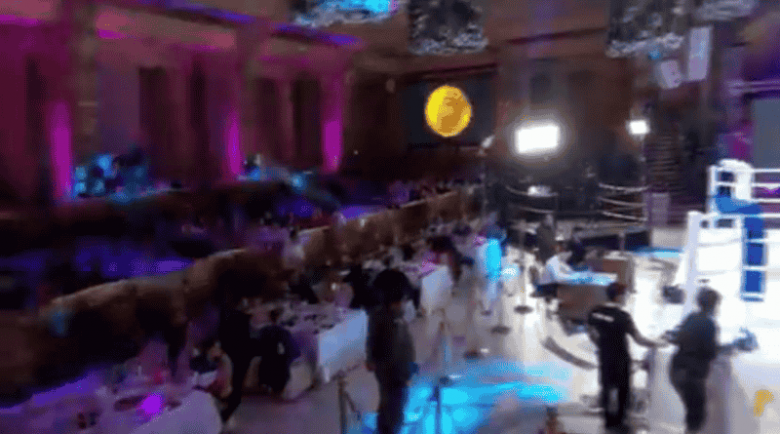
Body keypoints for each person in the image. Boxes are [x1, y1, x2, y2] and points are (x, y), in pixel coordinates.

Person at [587, 283, 665, 433]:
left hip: (605, 357)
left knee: (607, 387)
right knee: (623, 391)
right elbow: (639, 339)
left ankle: (608, 422)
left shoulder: (595, 312)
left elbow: (591, 333)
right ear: (619, 297)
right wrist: (659, 343)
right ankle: (620, 424)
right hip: (621, 359)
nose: (626, 298)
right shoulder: (622, 317)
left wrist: (602, 345)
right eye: (625, 295)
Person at [668, 288, 722, 434]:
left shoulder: (691, 318)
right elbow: (711, 352)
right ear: (713, 304)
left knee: (692, 411)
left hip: (676, 370)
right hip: (691, 374)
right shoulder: (709, 324)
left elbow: (678, 338)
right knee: (696, 415)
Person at [366, 284, 418, 434]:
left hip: (400, 366)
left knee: (393, 401)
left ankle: (388, 427)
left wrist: (411, 363)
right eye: (402, 301)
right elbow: (373, 340)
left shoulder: (398, 315)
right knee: (393, 402)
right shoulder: (381, 317)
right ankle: (388, 428)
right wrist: (371, 359)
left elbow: (405, 342)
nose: (404, 303)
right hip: (390, 369)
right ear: (394, 302)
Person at [256, 308, 301, 396]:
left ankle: (270, 386)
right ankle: (278, 389)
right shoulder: (283, 332)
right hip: (280, 363)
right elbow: (291, 349)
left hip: (267, 361)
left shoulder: (264, 330)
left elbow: (259, 346)